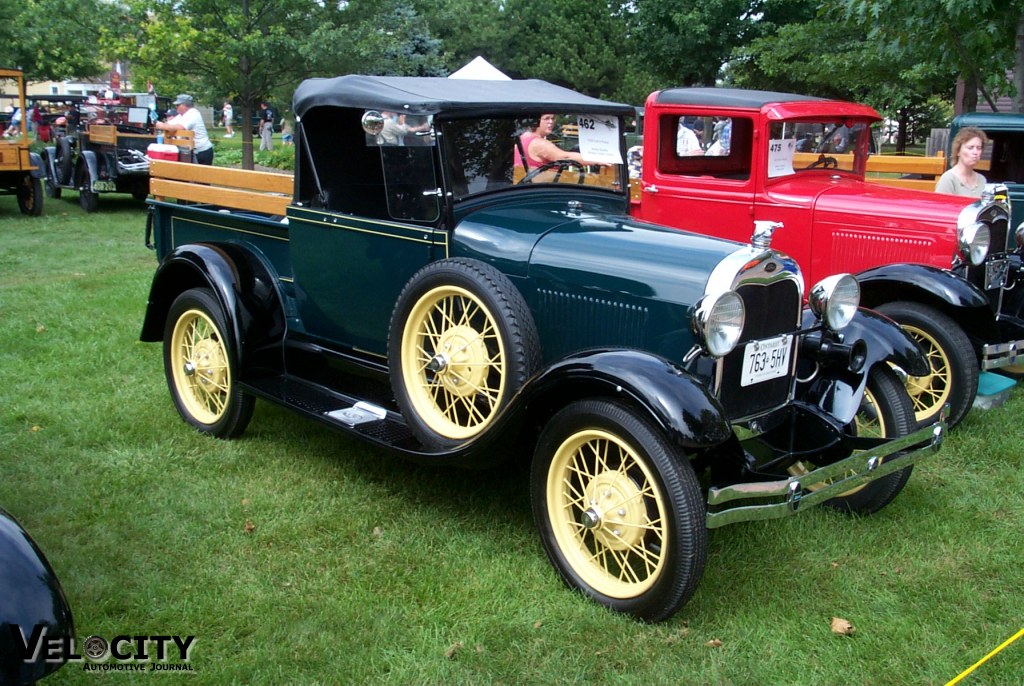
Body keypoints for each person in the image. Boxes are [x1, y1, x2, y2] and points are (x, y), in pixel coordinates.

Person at [514, 114, 603, 171]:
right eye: (546, 118)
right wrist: (598, 160)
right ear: (536, 121)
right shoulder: (539, 143)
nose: (551, 122)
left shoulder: (523, 137)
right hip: (542, 189)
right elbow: (565, 157)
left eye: (553, 118)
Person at [155, 93, 214, 165]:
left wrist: (161, 126)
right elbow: (169, 124)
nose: (176, 107)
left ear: (185, 105)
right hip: (191, 152)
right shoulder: (181, 115)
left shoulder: (192, 113)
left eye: (178, 105)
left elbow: (180, 127)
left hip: (201, 152)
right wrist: (158, 123)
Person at [935, 126, 989, 197]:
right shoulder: (948, 179)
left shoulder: (982, 180)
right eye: (970, 148)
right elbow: (940, 206)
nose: (975, 152)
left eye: (979, 148)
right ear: (958, 151)